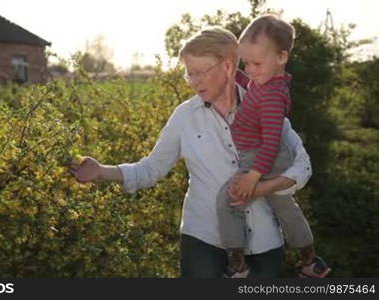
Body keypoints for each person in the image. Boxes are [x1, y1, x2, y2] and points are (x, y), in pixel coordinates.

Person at [69, 26, 311, 278]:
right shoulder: (184, 117)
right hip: (203, 241)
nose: (194, 82)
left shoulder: (265, 103)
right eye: (189, 74)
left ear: (228, 66)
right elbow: (151, 169)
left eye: (200, 73)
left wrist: (260, 189)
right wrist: (100, 172)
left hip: (264, 244)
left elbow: (302, 166)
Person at [216, 15, 330, 279]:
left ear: (281, 57)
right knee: (285, 207)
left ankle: (237, 266)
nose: (251, 69)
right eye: (246, 62)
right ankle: (310, 261)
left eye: (256, 62)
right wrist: (236, 75)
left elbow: (270, 142)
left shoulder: (272, 97)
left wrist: (253, 177)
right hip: (262, 155)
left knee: (229, 200)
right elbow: (251, 84)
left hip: (263, 157)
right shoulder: (266, 82)